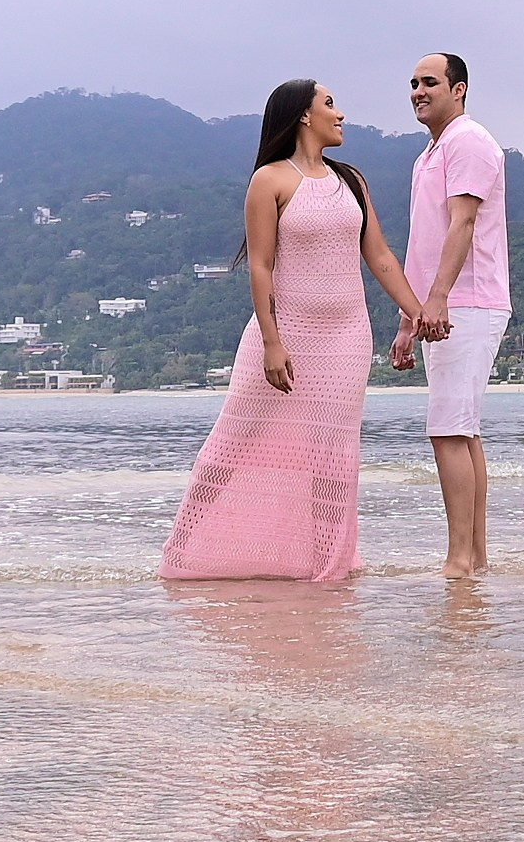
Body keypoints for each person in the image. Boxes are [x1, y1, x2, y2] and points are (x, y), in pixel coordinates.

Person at [162, 79, 425, 581]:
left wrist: (414, 311)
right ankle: (184, 554)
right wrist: (272, 341)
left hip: (347, 338)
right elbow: (260, 267)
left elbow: (380, 255)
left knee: (332, 455)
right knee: (232, 443)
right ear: (304, 116)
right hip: (286, 335)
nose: (341, 113)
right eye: (330, 104)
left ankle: (326, 564)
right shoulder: (270, 180)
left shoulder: (351, 181)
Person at [393, 52, 511, 578]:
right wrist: (407, 318)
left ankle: (459, 560)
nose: (419, 91)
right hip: (443, 303)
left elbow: (463, 224)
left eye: (430, 83)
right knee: (461, 430)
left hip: (469, 300)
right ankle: (476, 557)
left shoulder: (468, 141)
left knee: (447, 428)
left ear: (458, 89)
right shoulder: (428, 155)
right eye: (414, 84)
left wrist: (437, 300)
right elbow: (423, 242)